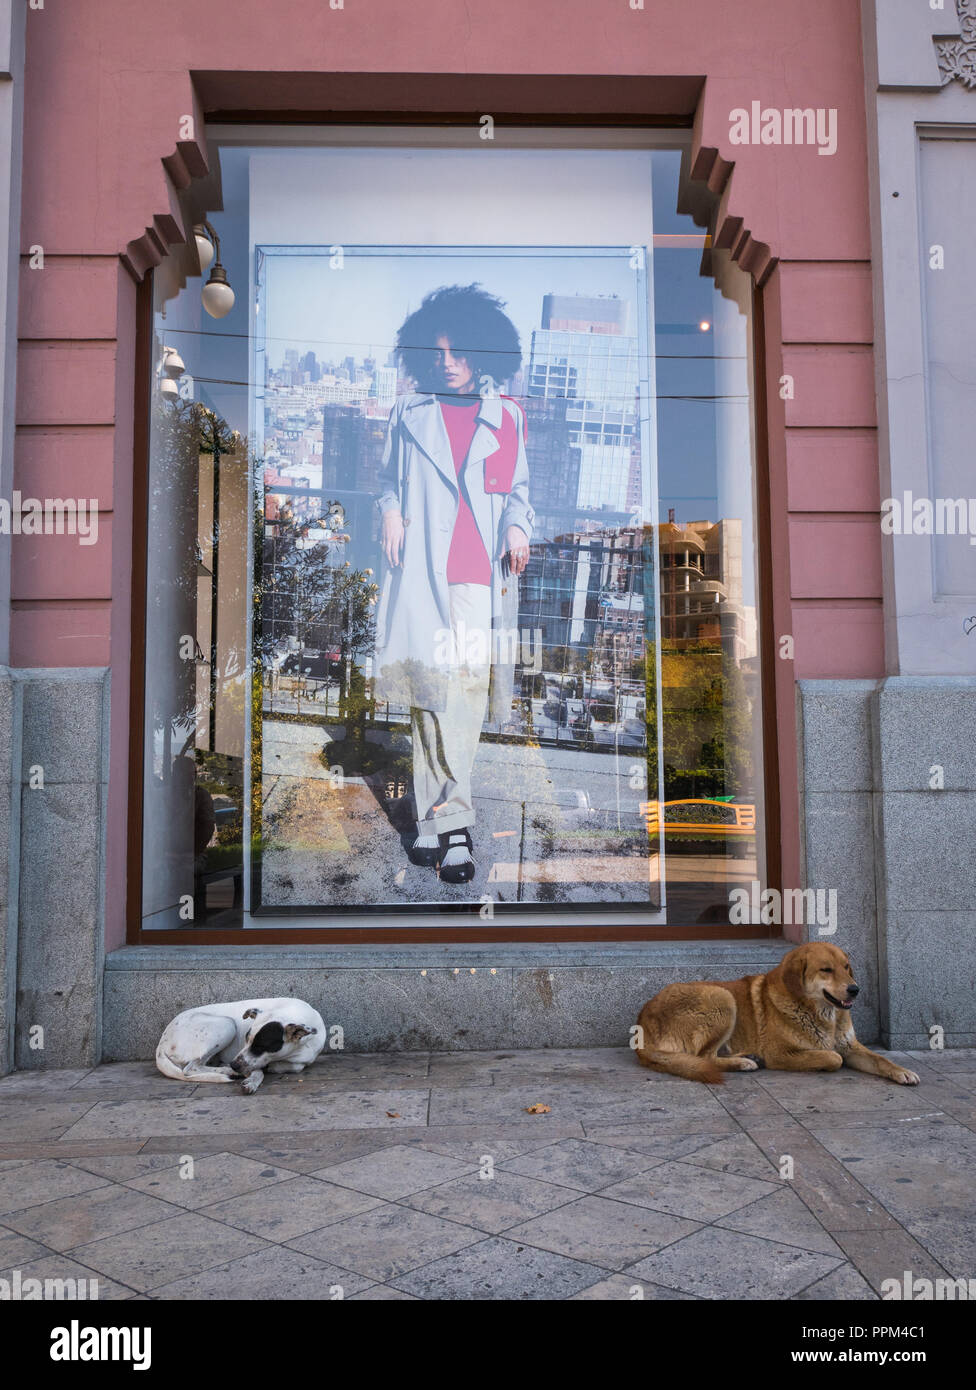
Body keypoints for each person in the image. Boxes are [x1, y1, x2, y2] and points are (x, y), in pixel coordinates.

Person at [373, 284, 534, 885]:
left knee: (460, 699)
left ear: (481, 350)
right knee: (426, 698)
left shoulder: (509, 417)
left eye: (457, 350)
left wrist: (517, 528)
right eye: (436, 353)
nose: (446, 362)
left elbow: (520, 495)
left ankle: (454, 825)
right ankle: (432, 822)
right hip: (420, 574)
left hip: (476, 580)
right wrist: (390, 511)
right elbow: (388, 482)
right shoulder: (409, 413)